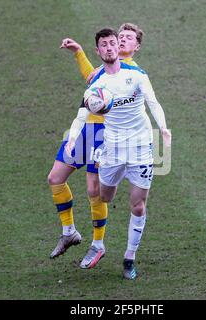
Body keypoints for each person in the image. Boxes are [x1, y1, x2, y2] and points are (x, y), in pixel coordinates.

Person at [69, 28, 171, 279]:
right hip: (112, 149)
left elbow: (153, 102)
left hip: (140, 149)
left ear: (118, 47)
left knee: (138, 206)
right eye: (104, 45)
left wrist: (164, 128)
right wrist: (72, 139)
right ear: (99, 51)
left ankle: (129, 258)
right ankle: (103, 241)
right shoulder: (97, 84)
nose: (110, 48)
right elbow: (81, 115)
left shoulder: (136, 75)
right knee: (104, 197)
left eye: (113, 43)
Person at [48, 24, 144, 270]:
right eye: (119, 38)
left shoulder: (133, 73)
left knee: (94, 190)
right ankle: (69, 231)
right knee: (55, 178)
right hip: (85, 130)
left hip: (105, 134)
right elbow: (92, 79)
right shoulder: (106, 68)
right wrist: (79, 53)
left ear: (136, 47)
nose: (121, 42)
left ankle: (98, 244)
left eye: (127, 39)